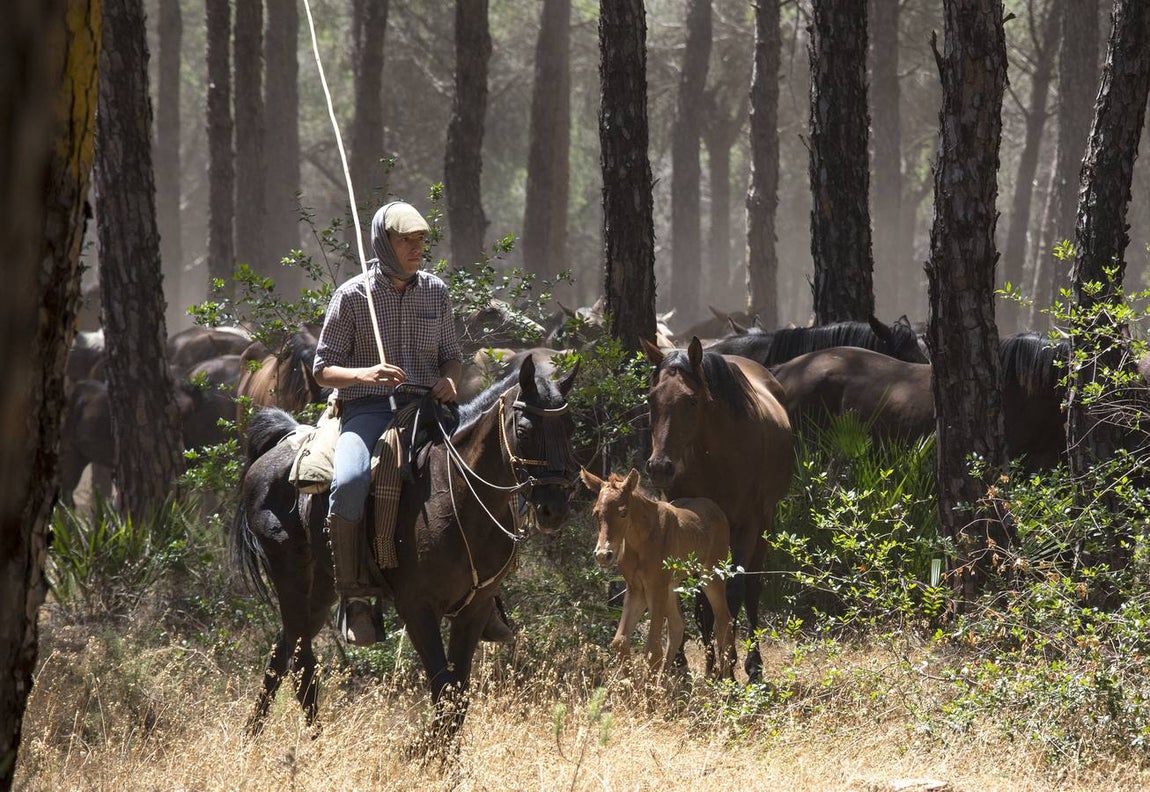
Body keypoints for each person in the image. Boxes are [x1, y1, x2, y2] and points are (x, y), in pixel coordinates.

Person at [313, 201, 462, 645]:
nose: (416, 248)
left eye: (420, 240)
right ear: (384, 243)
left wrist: (450, 380)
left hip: (428, 408)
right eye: (406, 240)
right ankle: (357, 597)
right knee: (351, 480)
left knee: (480, 471)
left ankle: (487, 597)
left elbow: (451, 355)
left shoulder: (436, 291)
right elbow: (323, 369)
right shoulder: (353, 296)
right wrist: (366, 375)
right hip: (368, 410)